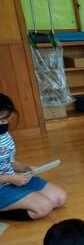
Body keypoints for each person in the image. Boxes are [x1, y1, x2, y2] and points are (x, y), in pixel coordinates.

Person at [0, 93, 67, 221]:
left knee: (60, 198)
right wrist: (10, 178)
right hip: (6, 183)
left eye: (7, 120)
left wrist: (26, 167)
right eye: (2, 120)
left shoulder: (5, 135)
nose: (5, 124)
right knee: (44, 207)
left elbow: (9, 162)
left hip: (12, 180)